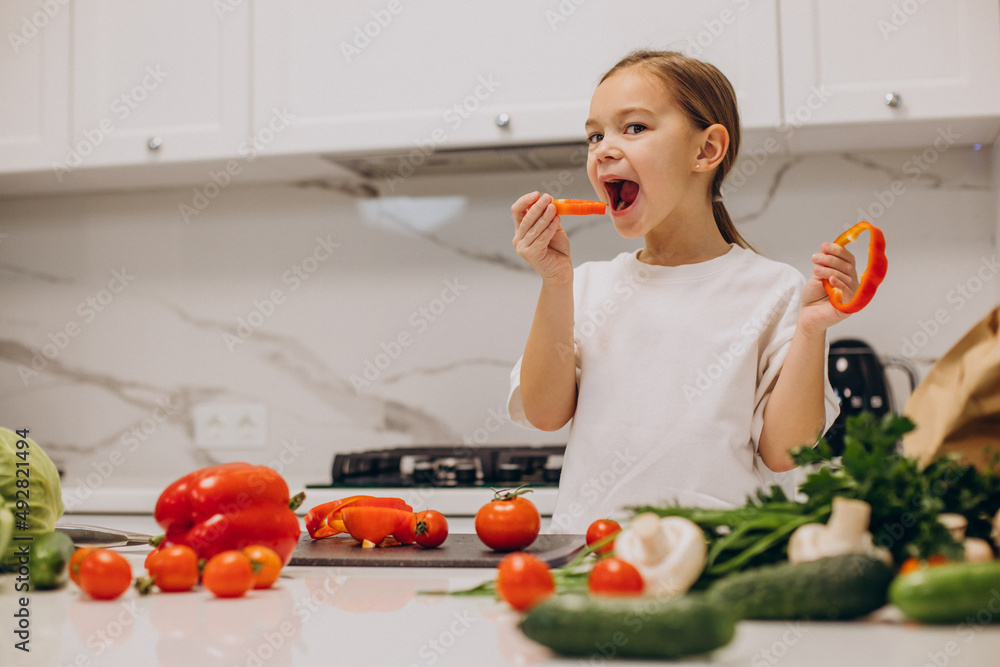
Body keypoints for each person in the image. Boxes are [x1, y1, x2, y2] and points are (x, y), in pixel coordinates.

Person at [506, 50, 849, 534]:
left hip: (719, 566)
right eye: (595, 135)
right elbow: (544, 414)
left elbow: (783, 452)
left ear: (706, 150)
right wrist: (555, 280)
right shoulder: (583, 286)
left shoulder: (774, 290)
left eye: (634, 128)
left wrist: (812, 330)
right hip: (593, 565)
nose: (603, 149)